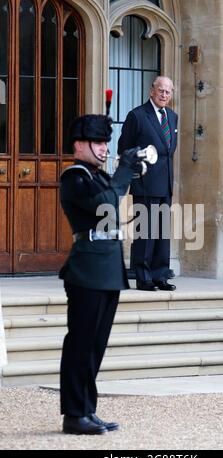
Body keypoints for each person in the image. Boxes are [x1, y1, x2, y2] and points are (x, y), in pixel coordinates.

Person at [59, 113, 143, 435]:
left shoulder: (98, 175)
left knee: (96, 346)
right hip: (88, 270)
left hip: (107, 268)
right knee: (80, 343)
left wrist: (133, 167)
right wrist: (123, 171)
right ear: (79, 145)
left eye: (106, 142)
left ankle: (87, 409)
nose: (104, 148)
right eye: (98, 142)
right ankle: (73, 413)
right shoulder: (74, 177)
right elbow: (106, 205)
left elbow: (116, 190)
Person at [118, 76, 178, 291]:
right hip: (145, 183)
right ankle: (144, 278)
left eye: (168, 92)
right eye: (161, 91)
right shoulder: (137, 115)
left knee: (162, 233)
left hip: (165, 183)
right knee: (146, 233)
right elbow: (124, 148)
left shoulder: (172, 117)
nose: (164, 95)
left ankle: (160, 275)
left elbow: (168, 152)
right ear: (151, 91)